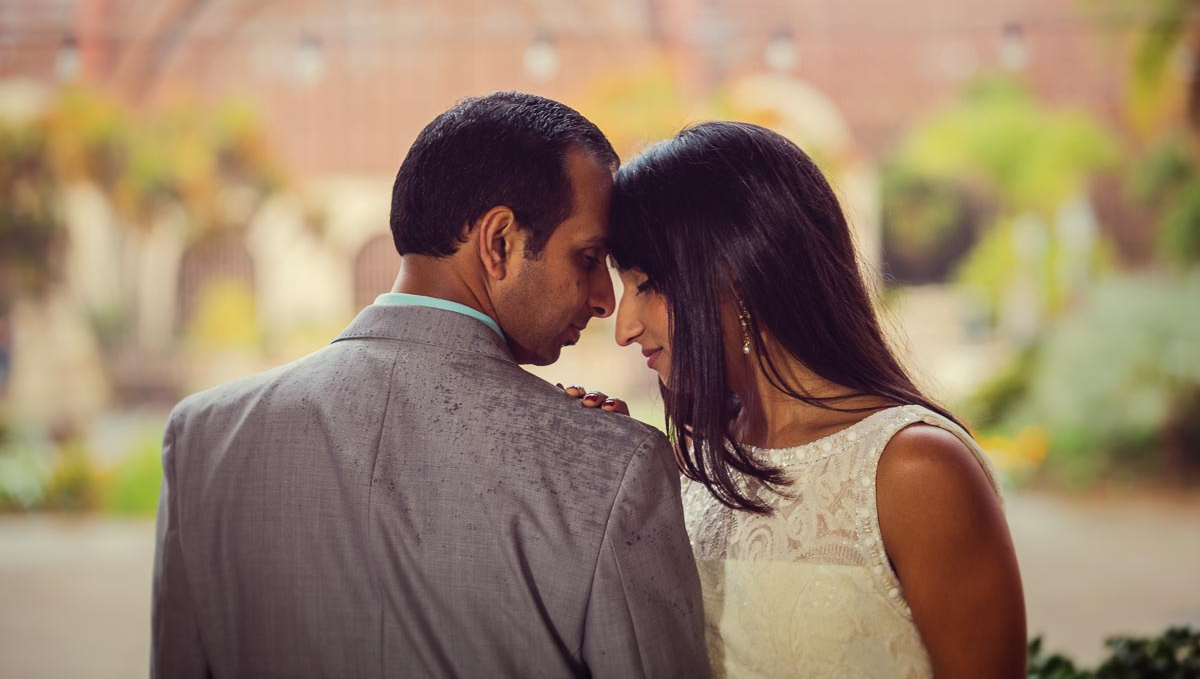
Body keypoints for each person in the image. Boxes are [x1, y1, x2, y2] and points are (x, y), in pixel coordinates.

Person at [151, 92, 711, 678]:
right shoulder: (612, 467)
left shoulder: (202, 439)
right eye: (589, 257)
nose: (603, 300)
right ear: (499, 243)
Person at [579, 121, 1025, 677]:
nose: (625, 327)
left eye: (646, 286)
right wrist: (600, 474)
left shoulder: (915, 471)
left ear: (737, 276)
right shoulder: (696, 462)